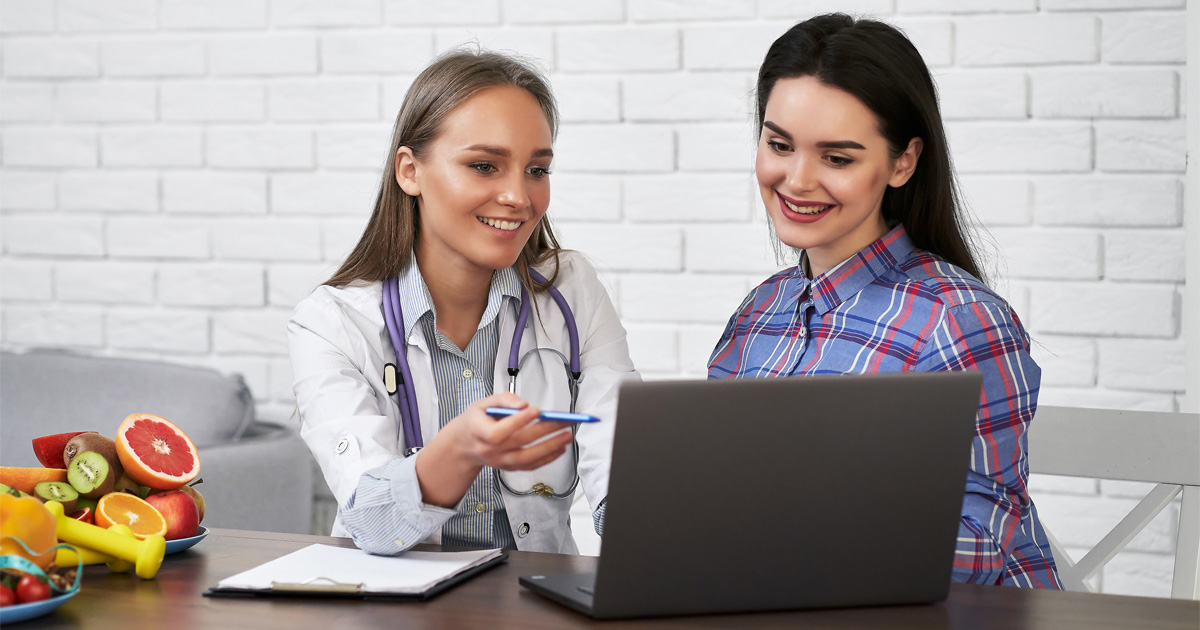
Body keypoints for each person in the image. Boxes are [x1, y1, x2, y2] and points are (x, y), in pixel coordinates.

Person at [707, 14, 1062, 588]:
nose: (796, 180)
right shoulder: (758, 316)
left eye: (838, 158)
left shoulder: (959, 322)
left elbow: (978, 549)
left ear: (903, 162)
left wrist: (787, 528)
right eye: (779, 145)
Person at [288, 50, 638, 555]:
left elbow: (620, 461)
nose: (520, 196)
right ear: (410, 172)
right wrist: (463, 448)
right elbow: (373, 522)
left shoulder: (572, 291)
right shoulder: (331, 324)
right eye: (484, 166)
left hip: (533, 605)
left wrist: (646, 518)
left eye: (537, 170)